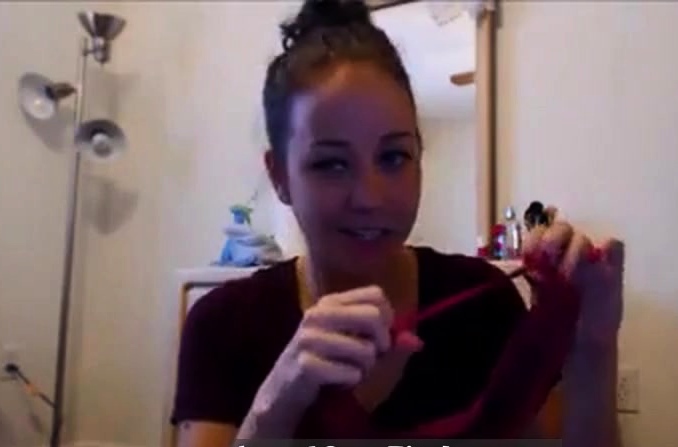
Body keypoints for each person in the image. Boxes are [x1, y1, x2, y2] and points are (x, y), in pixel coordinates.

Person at [170, 0, 622, 446]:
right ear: (280, 178)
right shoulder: (223, 325)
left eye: (393, 157)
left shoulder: (486, 305)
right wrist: (277, 403)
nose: (370, 198)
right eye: (331, 164)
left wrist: (593, 346)